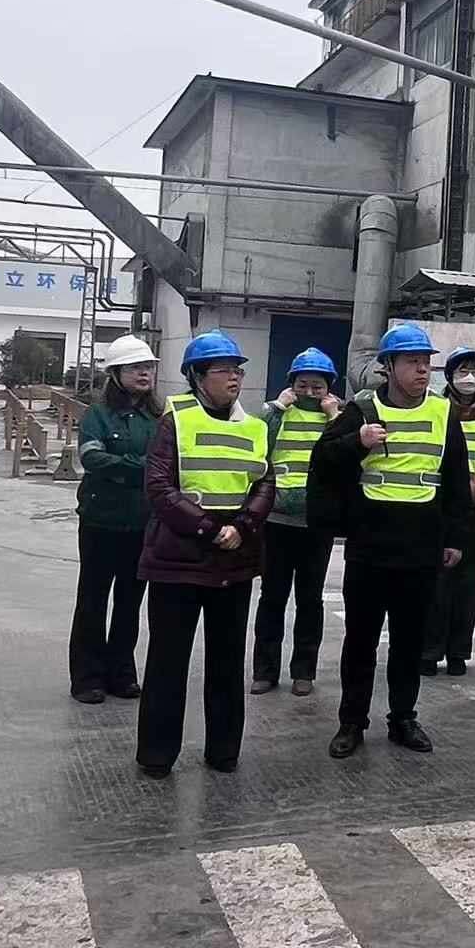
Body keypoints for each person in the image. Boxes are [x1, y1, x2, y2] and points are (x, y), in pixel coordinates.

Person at [310, 322, 470, 759]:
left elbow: (457, 480)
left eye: (426, 362)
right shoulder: (362, 410)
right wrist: (357, 442)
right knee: (360, 641)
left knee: (409, 641)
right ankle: (351, 722)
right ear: (388, 366)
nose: (422, 370)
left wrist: (456, 538)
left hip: (421, 547)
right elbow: (323, 460)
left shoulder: (443, 413)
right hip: (370, 546)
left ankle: (403, 718)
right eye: (412, 362)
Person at [135, 331, 274, 778]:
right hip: (178, 560)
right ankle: (157, 755)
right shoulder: (175, 420)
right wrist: (210, 529)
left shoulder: (255, 426)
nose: (234, 378)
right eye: (223, 370)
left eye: (237, 370)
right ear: (197, 377)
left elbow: (265, 482)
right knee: (168, 662)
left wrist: (244, 526)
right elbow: (159, 488)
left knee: (228, 661)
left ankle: (224, 751)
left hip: (234, 561)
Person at [68, 335, 160, 705]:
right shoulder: (98, 415)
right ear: (116, 374)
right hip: (101, 522)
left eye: (148, 367)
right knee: (93, 601)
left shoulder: (159, 418)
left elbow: (170, 462)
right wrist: (144, 468)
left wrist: (128, 469)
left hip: (142, 524)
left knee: (129, 603)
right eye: (136, 368)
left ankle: (121, 674)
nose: (145, 373)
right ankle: (87, 678)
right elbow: (93, 459)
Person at [251, 348, 343, 697]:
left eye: (317, 386)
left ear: (329, 387)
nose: (308, 392)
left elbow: (345, 452)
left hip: (316, 523)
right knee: (272, 598)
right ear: (291, 384)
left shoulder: (338, 415)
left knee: (310, 599)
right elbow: (257, 443)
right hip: (276, 520)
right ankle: (265, 671)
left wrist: (334, 417)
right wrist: (277, 408)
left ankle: (304, 672)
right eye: (302, 384)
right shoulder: (275, 412)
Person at [421, 347, 475, 677]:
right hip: (438, 507)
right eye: (462, 371)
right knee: (434, 582)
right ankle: (428, 651)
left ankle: (458, 652)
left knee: (468, 583)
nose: (469, 378)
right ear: (449, 376)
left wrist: (470, 491)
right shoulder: (434, 411)